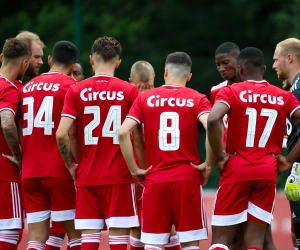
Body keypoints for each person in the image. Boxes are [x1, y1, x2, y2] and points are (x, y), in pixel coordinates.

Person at [118, 52, 214, 250]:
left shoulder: (145, 98)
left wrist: (135, 169)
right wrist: (208, 164)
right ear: (189, 76)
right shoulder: (198, 99)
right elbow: (212, 126)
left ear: (165, 72)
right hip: (187, 179)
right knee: (189, 244)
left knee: (153, 245)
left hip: (155, 179)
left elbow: (122, 133)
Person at [207, 47, 300, 250]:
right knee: (256, 241)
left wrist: (220, 157)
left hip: (237, 167)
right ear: (264, 69)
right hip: (267, 171)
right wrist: (289, 159)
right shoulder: (282, 96)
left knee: (221, 240)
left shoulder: (231, 91)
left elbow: (213, 120)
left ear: (240, 70)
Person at [56, 36, 141, 250]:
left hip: (87, 175)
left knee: (89, 241)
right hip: (120, 176)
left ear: (91, 60)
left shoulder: (75, 90)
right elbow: (139, 136)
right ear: (119, 62)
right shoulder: (130, 90)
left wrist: (72, 165)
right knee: (119, 241)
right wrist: (139, 168)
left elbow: (62, 134)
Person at [212, 42, 275, 250]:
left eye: (226, 63)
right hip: (233, 165)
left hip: (245, 165)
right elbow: (214, 126)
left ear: (239, 63)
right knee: (239, 236)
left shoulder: (260, 89)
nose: (221, 69)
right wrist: (217, 158)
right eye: (218, 64)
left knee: (264, 237)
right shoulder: (217, 91)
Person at [19, 41, 81, 250]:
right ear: (73, 66)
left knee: (36, 238)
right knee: (76, 235)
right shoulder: (72, 87)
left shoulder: (27, 88)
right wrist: (74, 163)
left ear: (49, 60)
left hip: (29, 171)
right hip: (59, 170)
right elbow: (71, 133)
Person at [128, 60, 181, 250]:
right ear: (130, 82)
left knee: (168, 226)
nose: (144, 90)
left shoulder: (157, 101)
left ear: (155, 81)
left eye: (148, 86)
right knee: (137, 227)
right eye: (139, 87)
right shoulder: (130, 101)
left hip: (156, 170)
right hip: (136, 172)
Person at [0, 37, 31, 250]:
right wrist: (19, 155)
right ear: (24, 63)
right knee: (10, 232)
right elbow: (6, 122)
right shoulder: (10, 89)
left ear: (2, 57)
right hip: (5, 172)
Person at [272, 38, 300, 250]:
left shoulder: (297, 91)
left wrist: (290, 161)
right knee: (294, 235)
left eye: (276, 59)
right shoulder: (293, 90)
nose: (273, 65)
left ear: (289, 58)